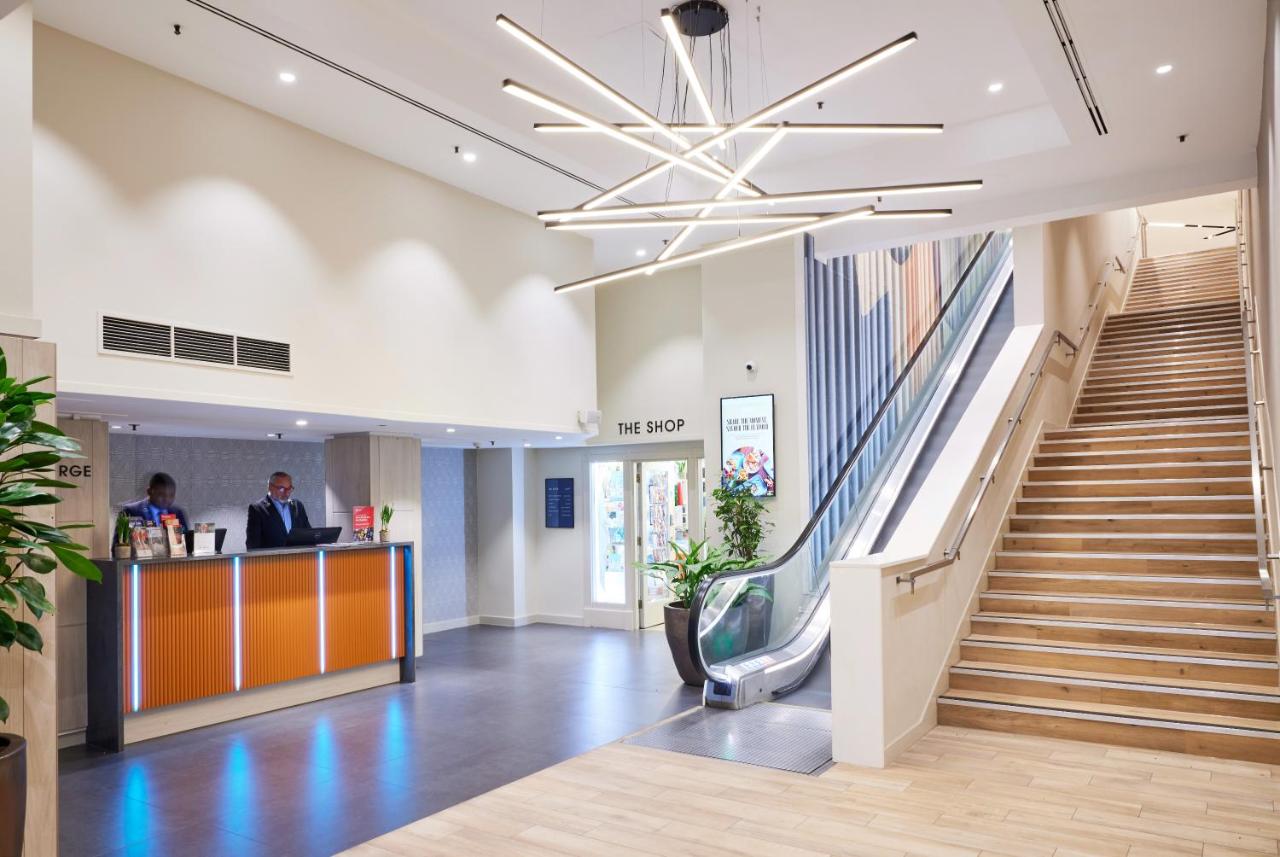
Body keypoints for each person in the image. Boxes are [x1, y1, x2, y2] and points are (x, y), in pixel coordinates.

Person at [246, 471, 312, 550]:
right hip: (271, 557)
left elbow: (309, 536)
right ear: (270, 487)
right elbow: (252, 545)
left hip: (298, 557)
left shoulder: (298, 506)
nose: (286, 493)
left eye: (289, 489)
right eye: (281, 489)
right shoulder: (257, 509)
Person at [120, 472, 190, 531]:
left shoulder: (178, 512)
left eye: (171, 495)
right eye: (161, 494)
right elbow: (119, 542)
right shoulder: (130, 511)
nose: (167, 499)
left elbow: (187, 540)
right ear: (149, 491)